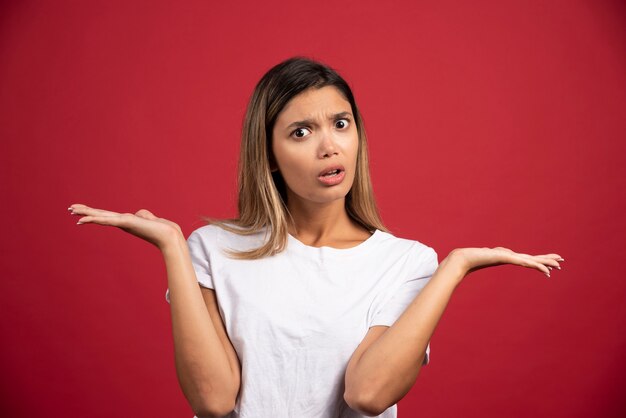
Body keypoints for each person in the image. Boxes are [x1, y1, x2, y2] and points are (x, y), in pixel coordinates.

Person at [68, 57, 564, 418]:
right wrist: (173, 246)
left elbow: (368, 394)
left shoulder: (407, 263)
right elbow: (213, 400)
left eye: (340, 124)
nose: (329, 145)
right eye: (301, 132)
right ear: (269, 155)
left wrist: (454, 268)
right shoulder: (212, 249)